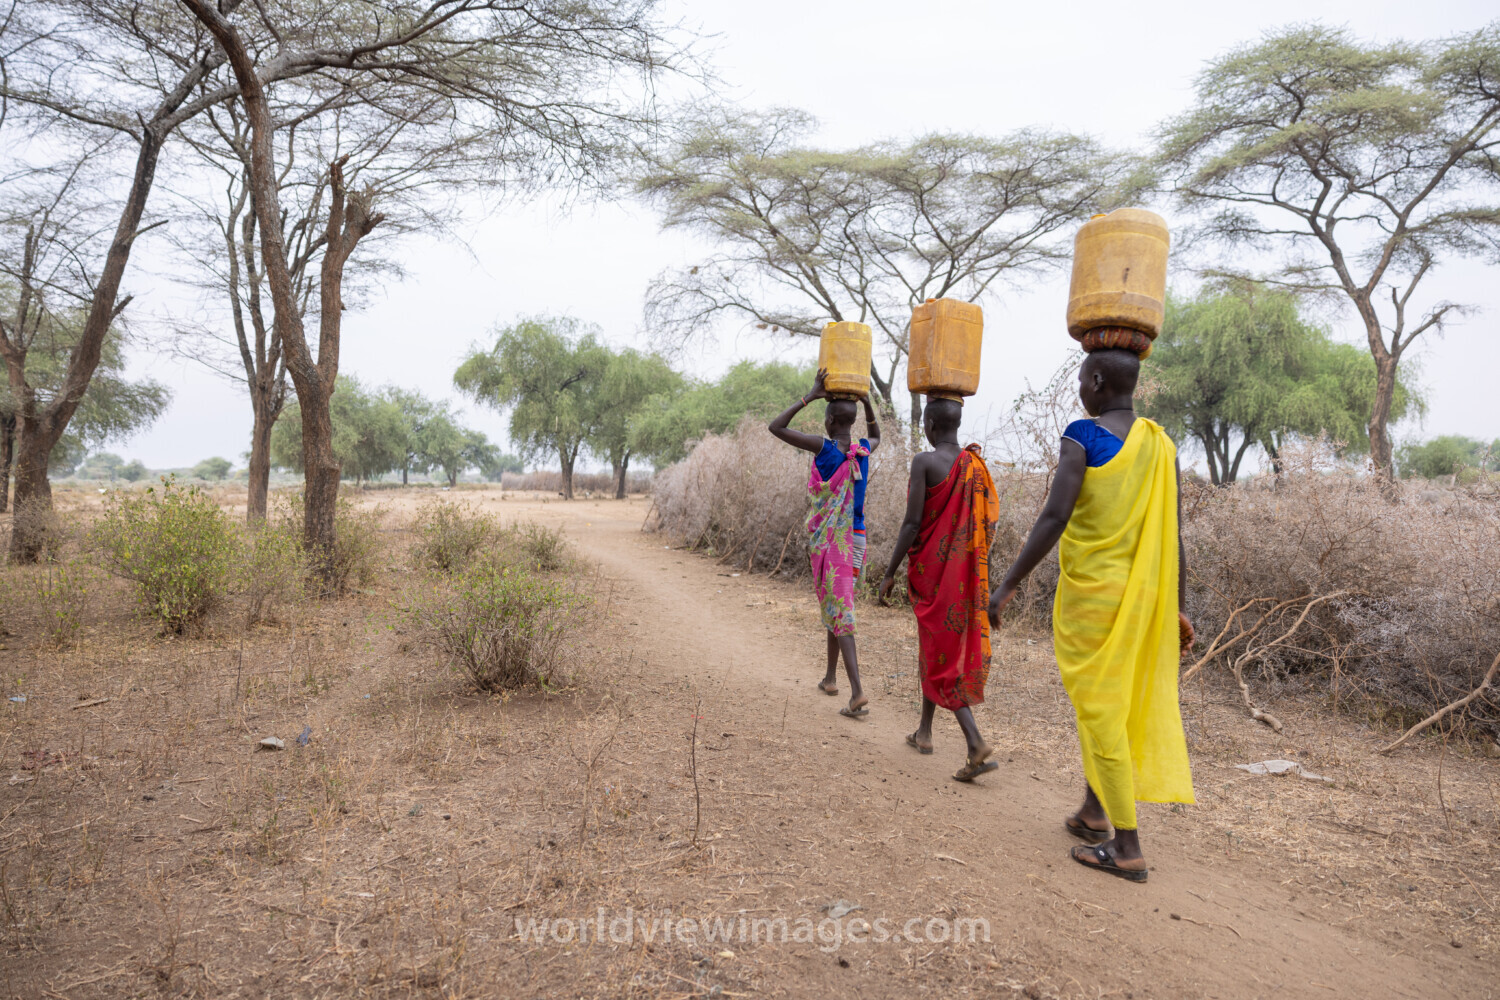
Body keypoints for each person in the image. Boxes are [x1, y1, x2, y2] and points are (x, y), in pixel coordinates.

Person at [988, 348, 1195, 883]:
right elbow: (1171, 535)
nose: (1080, 387)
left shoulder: (1084, 435)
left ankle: (1125, 844)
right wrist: (1178, 605)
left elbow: (1056, 514)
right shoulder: (1162, 445)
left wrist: (1007, 584)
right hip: (1145, 599)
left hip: (1093, 601)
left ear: (1097, 380)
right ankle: (1094, 811)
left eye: (1082, 378)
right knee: (1106, 705)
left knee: (1101, 710)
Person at [877, 395, 1000, 782]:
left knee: (939, 655)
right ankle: (925, 732)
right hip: (965, 574)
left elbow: (912, 523)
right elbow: (988, 523)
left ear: (928, 423)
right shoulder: (975, 467)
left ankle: (975, 742)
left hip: (933, 574)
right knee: (933, 648)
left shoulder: (924, 462)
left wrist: (890, 570)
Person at [768, 368, 881, 719]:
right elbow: (877, 435)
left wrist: (811, 395)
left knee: (841, 612)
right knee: (838, 604)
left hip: (835, 543)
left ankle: (858, 693)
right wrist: (867, 401)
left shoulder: (825, 448)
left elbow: (776, 427)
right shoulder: (862, 450)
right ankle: (831, 678)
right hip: (857, 540)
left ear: (830, 420)